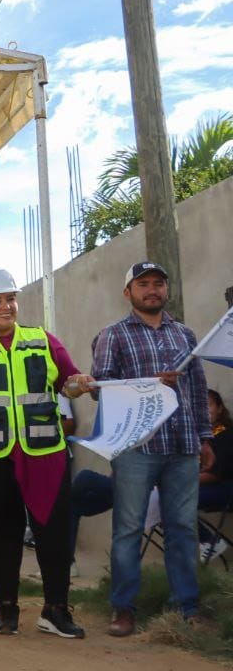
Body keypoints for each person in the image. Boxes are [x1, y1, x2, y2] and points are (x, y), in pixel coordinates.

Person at [0, 267, 95, 638]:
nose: (7, 306)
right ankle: (7, 609)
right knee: (4, 530)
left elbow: (68, 382)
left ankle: (55, 609)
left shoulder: (43, 340)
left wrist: (79, 384)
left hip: (44, 451)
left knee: (53, 531)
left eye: (10, 298)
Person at [92, 262, 215, 636]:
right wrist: (148, 383)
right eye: (143, 284)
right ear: (128, 292)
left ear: (166, 290)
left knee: (182, 528)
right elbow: (103, 388)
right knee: (128, 530)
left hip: (181, 446)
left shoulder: (185, 334)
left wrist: (205, 438)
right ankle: (123, 609)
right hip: (136, 447)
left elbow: (196, 389)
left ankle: (187, 606)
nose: (152, 290)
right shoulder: (112, 335)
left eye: (158, 284)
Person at [199, 389, 233, 562]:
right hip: (199, 486)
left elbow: (216, 474)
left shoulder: (226, 434)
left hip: (224, 487)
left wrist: (178, 481)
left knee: (174, 499)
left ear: (219, 408)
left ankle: (210, 541)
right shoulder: (197, 436)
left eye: (208, 405)